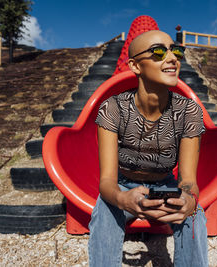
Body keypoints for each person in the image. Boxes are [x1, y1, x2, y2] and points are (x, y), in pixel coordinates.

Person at [88, 30, 208, 267]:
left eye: (176, 51)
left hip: (166, 185)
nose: (172, 58)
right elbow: (107, 181)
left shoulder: (189, 111)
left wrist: (190, 201)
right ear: (135, 66)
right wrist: (122, 199)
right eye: (159, 52)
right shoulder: (113, 108)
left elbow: (188, 181)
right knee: (104, 212)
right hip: (124, 184)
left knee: (194, 216)